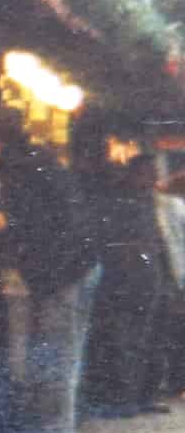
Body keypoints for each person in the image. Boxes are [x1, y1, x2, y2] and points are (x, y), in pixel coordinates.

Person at [0, 104, 102, 433]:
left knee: (57, 358)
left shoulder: (20, 171)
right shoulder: (27, 165)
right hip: (62, 270)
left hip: (62, 274)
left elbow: (32, 227)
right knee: (51, 358)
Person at [84, 155, 180, 418]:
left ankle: (145, 395)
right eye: (146, 173)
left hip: (155, 280)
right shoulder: (121, 205)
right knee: (127, 341)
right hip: (127, 282)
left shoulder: (155, 204)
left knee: (153, 340)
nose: (151, 179)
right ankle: (126, 399)